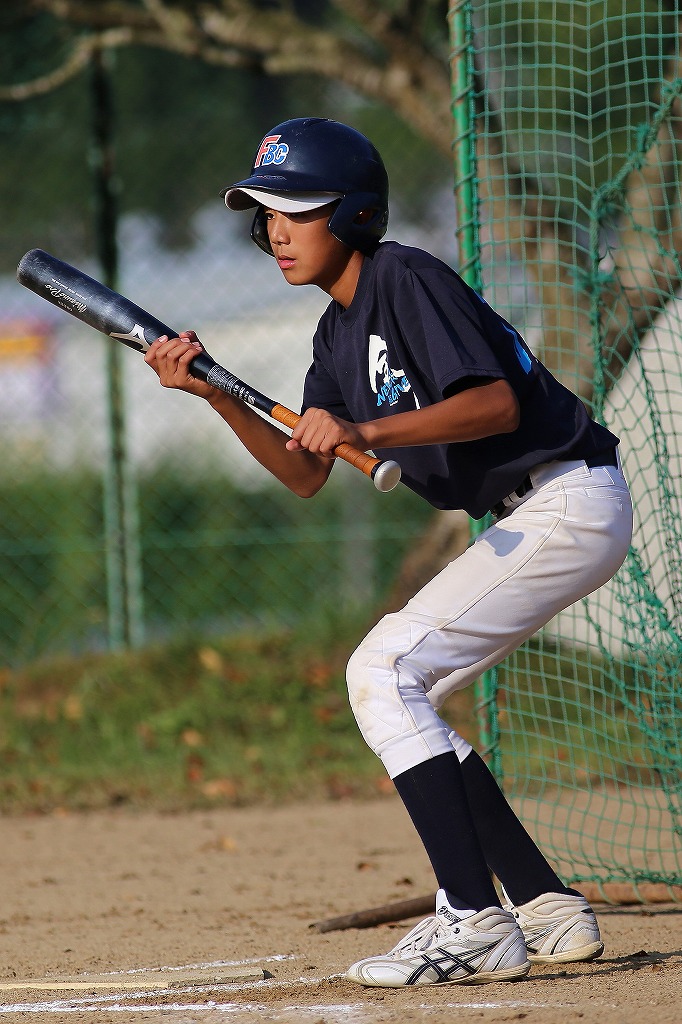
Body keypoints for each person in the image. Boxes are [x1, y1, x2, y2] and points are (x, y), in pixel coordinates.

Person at [144, 117, 633, 988]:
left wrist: (365, 426)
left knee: (380, 670)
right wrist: (211, 391)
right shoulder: (334, 336)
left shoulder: (405, 277)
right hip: (538, 515)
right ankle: (543, 904)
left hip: (566, 495)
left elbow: (493, 407)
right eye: (265, 215)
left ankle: (471, 918)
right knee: (415, 691)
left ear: (358, 215)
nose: (277, 231)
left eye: (298, 209)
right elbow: (303, 473)